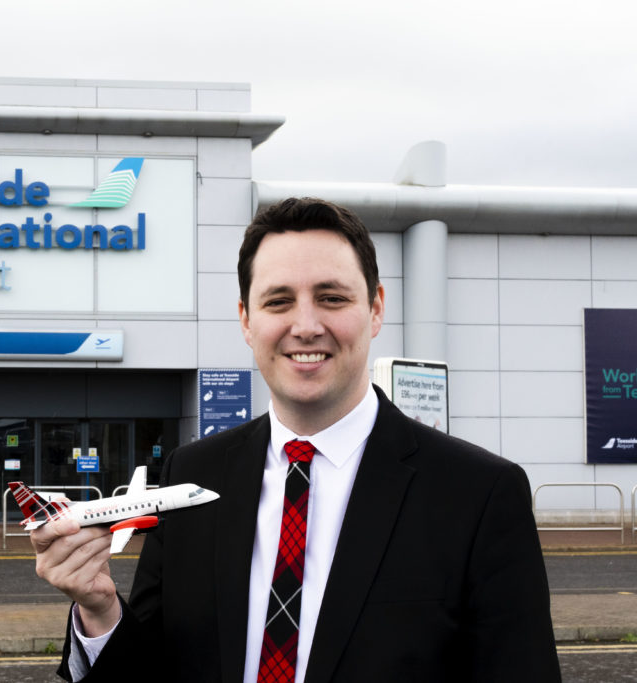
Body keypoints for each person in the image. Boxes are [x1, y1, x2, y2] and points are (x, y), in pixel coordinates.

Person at [30, 197, 561, 682]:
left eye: (331, 298)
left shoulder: (480, 494)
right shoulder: (192, 473)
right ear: (245, 319)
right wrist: (100, 610)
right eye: (278, 301)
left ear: (376, 308)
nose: (305, 326)